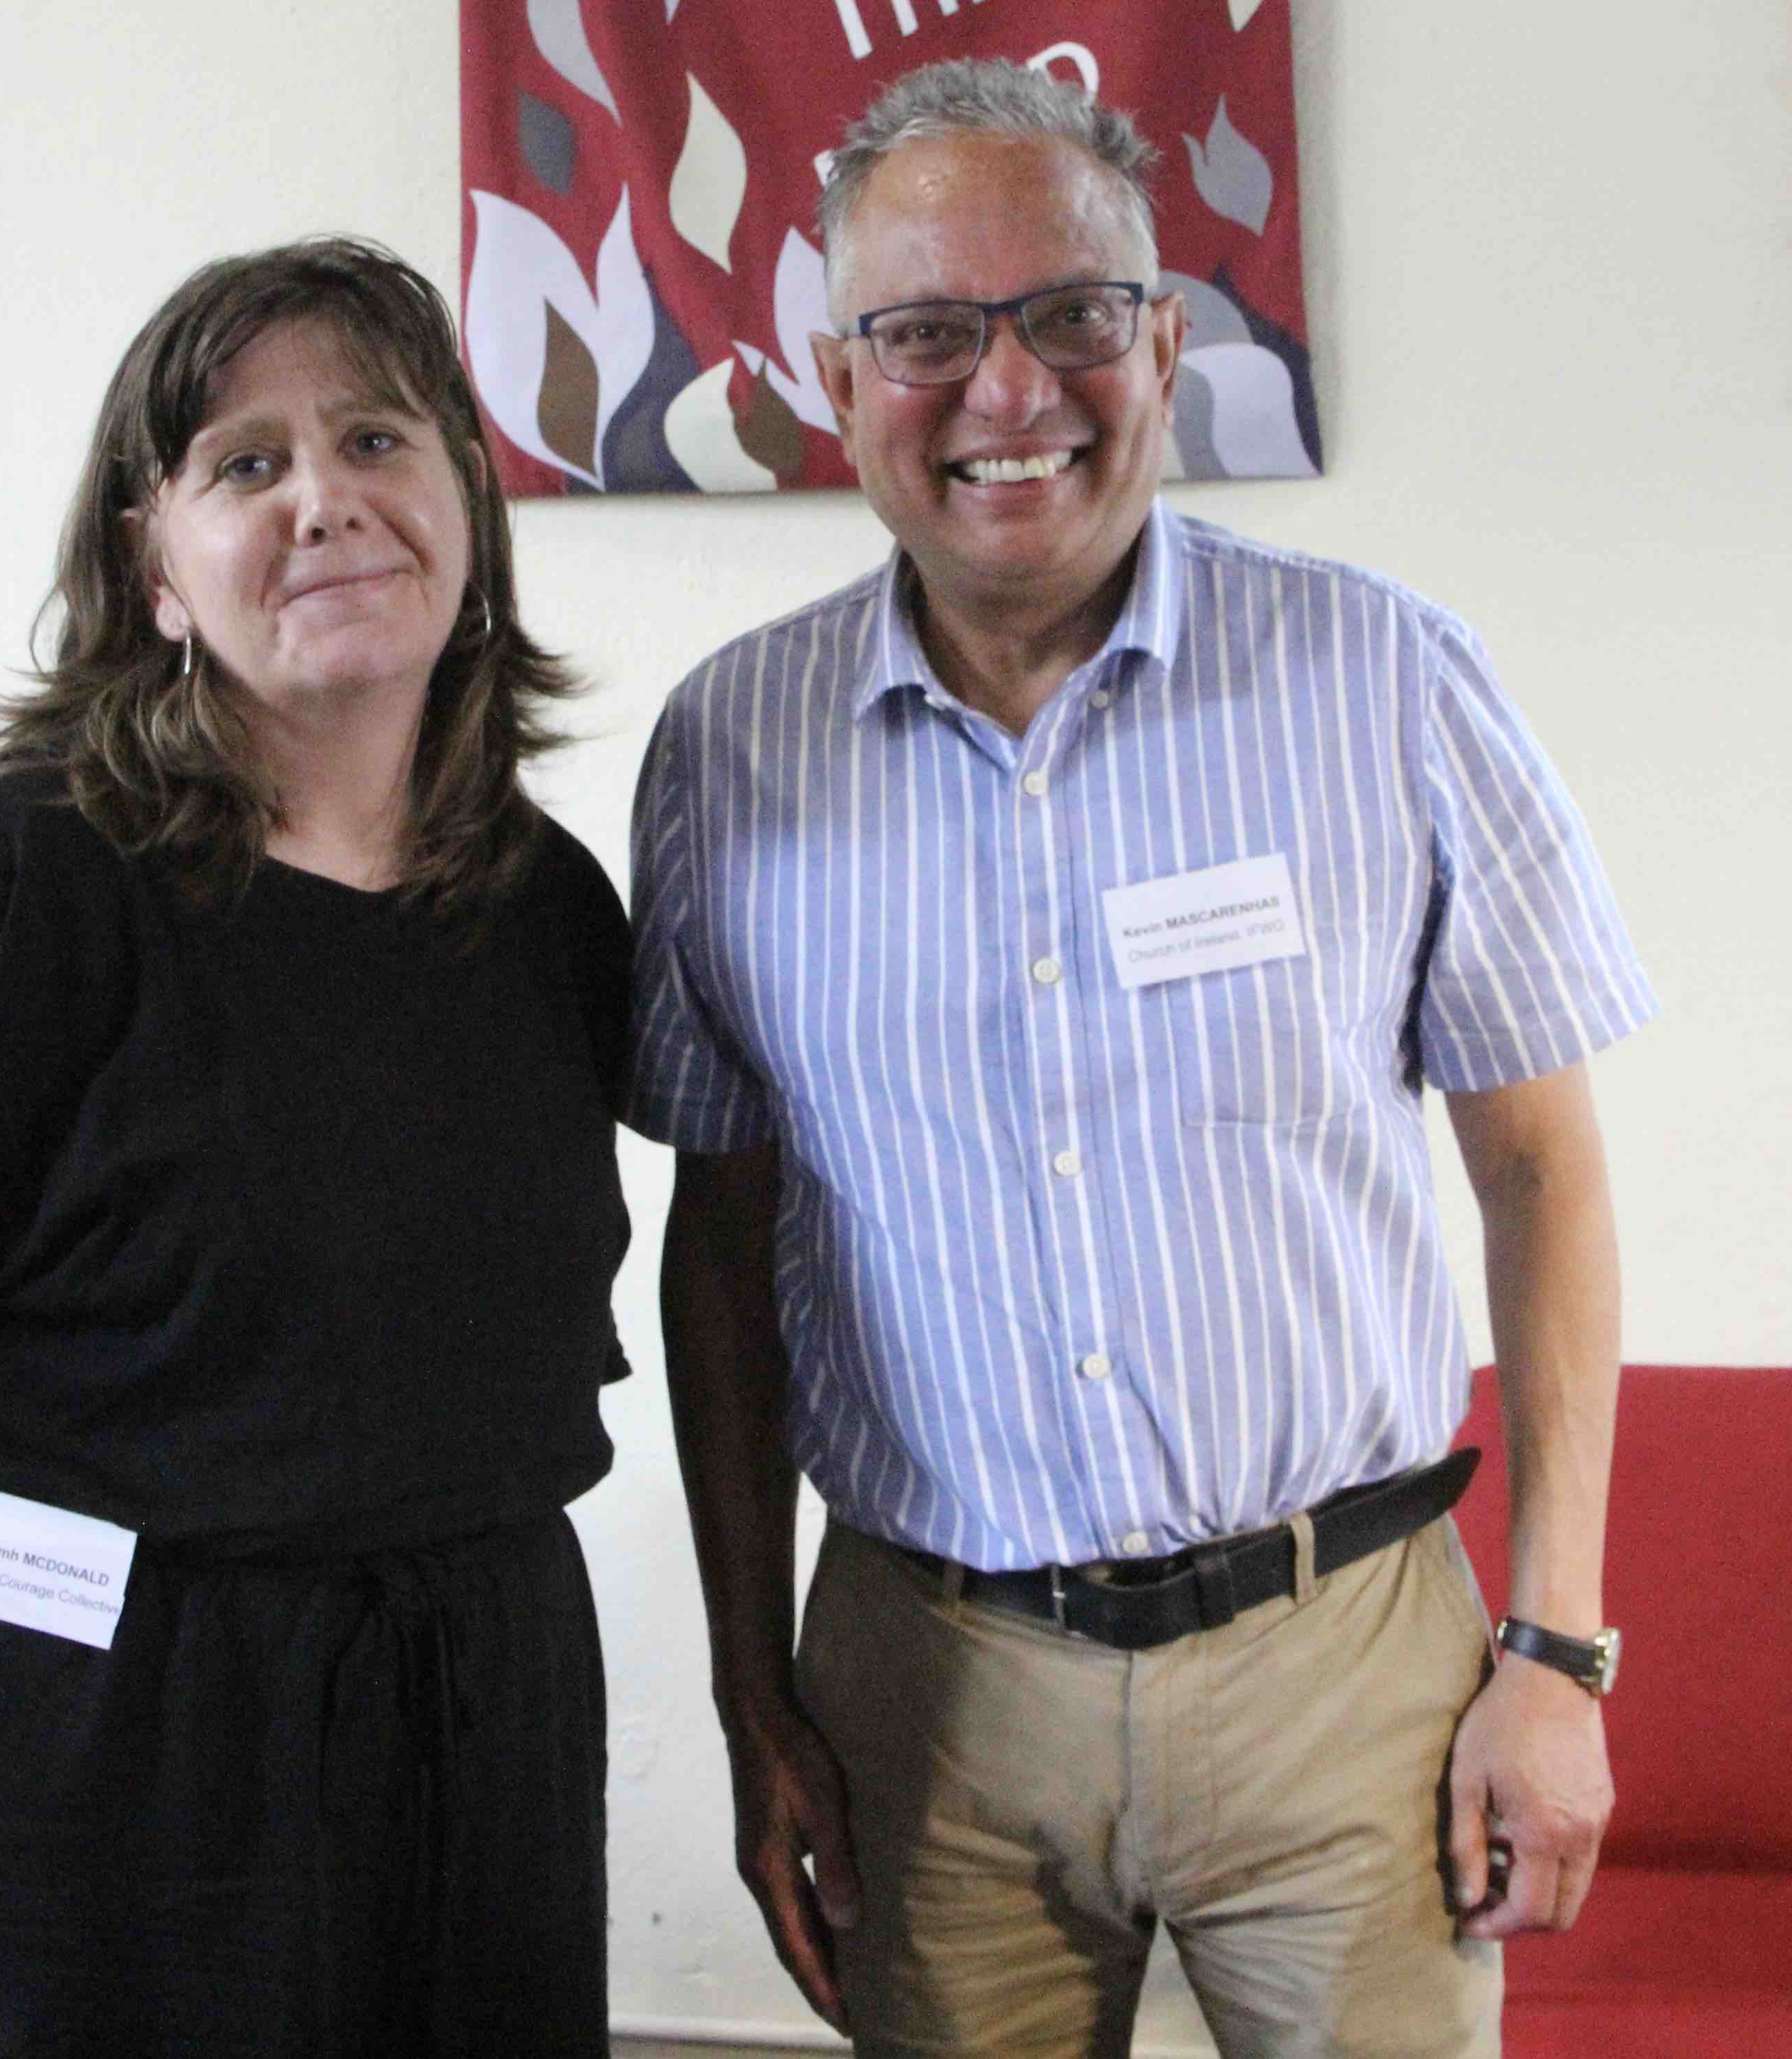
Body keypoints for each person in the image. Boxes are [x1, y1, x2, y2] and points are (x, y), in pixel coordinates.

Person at [627, 59, 1655, 2059]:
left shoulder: (1388, 681)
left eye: (1073, 315)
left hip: (1347, 1662)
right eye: (927, 330)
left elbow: (1545, 1173)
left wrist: (1556, 1651)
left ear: (1165, 345)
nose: (1009, 393)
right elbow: (720, 1253)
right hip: (929, 1688)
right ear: (836, 382)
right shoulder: (726, 755)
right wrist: (760, 1690)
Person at [0, 237, 629, 2058]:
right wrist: (11, 1651)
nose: (327, 498)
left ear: (471, 515)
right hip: (47, 1812)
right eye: (246, 463)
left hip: (472, 1771)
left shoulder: (544, 910)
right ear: (151, 568)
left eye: (381, 441)